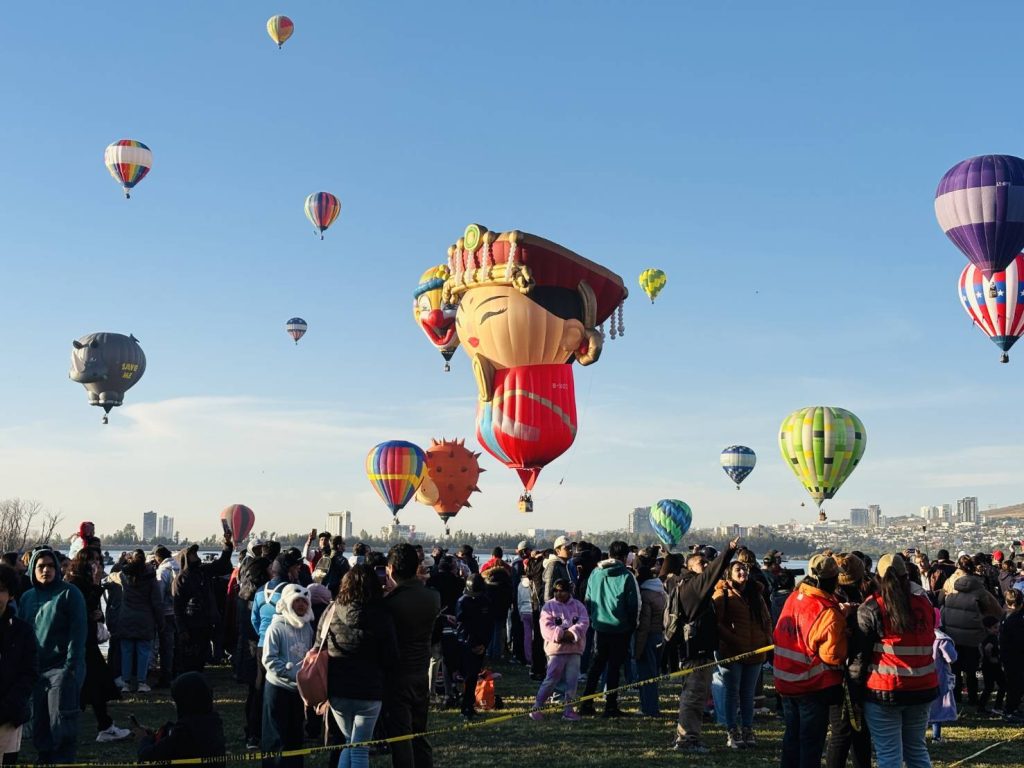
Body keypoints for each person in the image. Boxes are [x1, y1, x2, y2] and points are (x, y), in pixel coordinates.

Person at [853, 553, 938, 768]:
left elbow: (860, 657)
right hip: (922, 686)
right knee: (917, 750)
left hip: (884, 689)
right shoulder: (924, 604)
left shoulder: (872, 607)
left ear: (877, 578)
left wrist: (854, 691)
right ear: (906, 576)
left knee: (889, 754)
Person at [773, 553, 847, 768]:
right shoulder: (827, 611)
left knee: (792, 737)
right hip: (811, 685)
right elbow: (832, 655)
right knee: (810, 743)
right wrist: (844, 632)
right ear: (832, 579)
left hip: (785, 680)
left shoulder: (794, 598)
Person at [321, 564, 398, 768]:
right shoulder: (382, 615)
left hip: (338, 688)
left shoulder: (331, 611)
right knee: (360, 749)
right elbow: (390, 656)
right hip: (369, 690)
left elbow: (319, 644)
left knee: (349, 743)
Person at [666, 537, 738, 753]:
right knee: (694, 695)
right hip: (696, 650)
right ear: (690, 567)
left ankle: (685, 736)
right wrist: (728, 550)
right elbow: (714, 572)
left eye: (707, 562)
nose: (706, 565)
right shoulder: (694, 586)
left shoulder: (682, 583)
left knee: (692, 693)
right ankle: (687, 740)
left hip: (692, 647)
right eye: (701, 563)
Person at [18, 548, 87, 763]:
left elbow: (78, 633)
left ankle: (62, 761)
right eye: (41, 566)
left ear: (57, 568)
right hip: (36, 671)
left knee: (61, 724)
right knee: (40, 724)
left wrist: (70, 668)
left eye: (50, 565)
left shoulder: (70, 593)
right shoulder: (27, 597)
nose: (45, 570)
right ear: (33, 569)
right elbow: (22, 634)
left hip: (62, 669)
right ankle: (44, 759)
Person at [383, 543, 440, 768]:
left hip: (398, 675)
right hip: (420, 671)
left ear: (391, 569)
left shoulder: (391, 603)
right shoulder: (432, 597)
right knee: (419, 733)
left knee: (401, 737)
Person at [66, 548, 129, 743]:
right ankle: (102, 726)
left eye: (98, 560)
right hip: (81, 642)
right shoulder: (76, 583)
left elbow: (93, 609)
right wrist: (95, 586)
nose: (97, 564)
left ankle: (104, 725)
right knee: (90, 685)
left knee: (92, 686)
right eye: (92, 560)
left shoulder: (86, 582)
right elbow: (78, 610)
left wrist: (97, 614)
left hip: (88, 641)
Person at [713, 559, 771, 749]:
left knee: (748, 693)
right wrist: (733, 639)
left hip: (756, 651)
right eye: (738, 569)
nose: (742, 573)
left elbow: (766, 619)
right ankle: (732, 730)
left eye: (744, 569)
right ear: (729, 573)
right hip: (732, 651)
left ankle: (747, 728)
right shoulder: (723, 593)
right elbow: (717, 623)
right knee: (732, 691)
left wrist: (767, 639)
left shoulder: (756, 593)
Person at [578, 540, 639, 718]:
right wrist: (632, 624)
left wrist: (594, 617)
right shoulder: (627, 576)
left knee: (596, 666)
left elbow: (588, 599)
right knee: (614, 668)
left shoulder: (595, 573)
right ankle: (610, 705)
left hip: (600, 626)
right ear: (625, 557)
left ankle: (586, 703)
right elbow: (633, 604)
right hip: (621, 628)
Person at [262, 584, 314, 768]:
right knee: (276, 737)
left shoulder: (307, 628)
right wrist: (293, 674)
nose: (301, 605)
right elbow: (269, 659)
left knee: (295, 736)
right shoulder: (276, 628)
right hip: (278, 688)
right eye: (297, 601)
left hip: (298, 690)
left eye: (304, 602)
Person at [940, 557, 1001, 708]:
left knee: (955, 667)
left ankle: (956, 696)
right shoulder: (979, 588)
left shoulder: (949, 583)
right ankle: (973, 698)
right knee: (971, 669)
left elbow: (940, 600)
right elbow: (990, 607)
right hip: (973, 634)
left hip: (953, 633)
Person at [136, 671, 226, 767]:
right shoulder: (213, 722)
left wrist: (144, 739)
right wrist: (157, 734)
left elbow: (147, 757)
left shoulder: (185, 731)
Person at [530, 578, 589, 721]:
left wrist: (573, 633)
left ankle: (568, 709)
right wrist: (561, 634)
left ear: (569, 591)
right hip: (556, 651)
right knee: (551, 680)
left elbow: (584, 622)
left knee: (572, 681)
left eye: (562, 591)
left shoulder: (578, 606)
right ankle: (537, 707)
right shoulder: (548, 607)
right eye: (556, 591)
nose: (558, 594)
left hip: (574, 651)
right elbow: (546, 627)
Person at [173, 533, 234, 673]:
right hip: (190, 624)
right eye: (192, 554)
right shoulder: (181, 579)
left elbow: (222, 563)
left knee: (201, 655)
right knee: (189, 657)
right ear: (185, 558)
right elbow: (177, 606)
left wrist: (227, 544)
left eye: (196, 553)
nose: (196, 556)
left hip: (206, 622)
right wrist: (181, 629)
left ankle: (198, 676)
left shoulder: (203, 571)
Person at [0, 563, 38, 765]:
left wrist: (8, 707)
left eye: (1, 590)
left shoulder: (23, 632)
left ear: (11, 595)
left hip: (9, 718)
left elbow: (29, 673)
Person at [118, 549, 164, 693]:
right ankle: (141, 682)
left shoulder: (124, 576)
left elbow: (117, 572)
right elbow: (156, 602)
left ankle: (126, 683)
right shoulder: (150, 578)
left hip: (126, 617)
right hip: (145, 618)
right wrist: (161, 621)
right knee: (143, 651)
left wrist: (122, 561)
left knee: (126, 651)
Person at [455, 574, 492, 720]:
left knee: (474, 676)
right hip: (467, 644)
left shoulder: (485, 601)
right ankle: (464, 705)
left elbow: (489, 625)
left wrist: (484, 644)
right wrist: (472, 644)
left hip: (480, 643)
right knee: (467, 676)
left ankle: (469, 704)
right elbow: (461, 626)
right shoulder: (463, 602)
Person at [634, 552, 666, 717]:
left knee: (646, 675)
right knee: (654, 673)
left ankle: (649, 708)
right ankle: (652, 706)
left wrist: (638, 649)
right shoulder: (661, 591)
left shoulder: (645, 595)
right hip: (660, 635)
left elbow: (644, 625)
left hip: (648, 637)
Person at [152, 546, 178, 688]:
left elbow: (159, 595)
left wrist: (157, 614)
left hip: (166, 613)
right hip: (178, 612)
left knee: (165, 647)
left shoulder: (162, 570)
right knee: (176, 645)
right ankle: (176, 673)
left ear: (158, 557)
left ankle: (166, 677)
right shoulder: (178, 567)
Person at [929, 613, 958, 742]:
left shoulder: (921, 636)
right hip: (939, 676)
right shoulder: (942, 640)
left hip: (923, 675)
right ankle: (936, 736)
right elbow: (951, 657)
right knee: (939, 706)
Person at [1000, 588, 1024, 721]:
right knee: (1015, 685)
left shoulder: (1005, 616)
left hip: (1008, 655)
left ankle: (1013, 707)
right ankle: (1010, 710)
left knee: (1014, 684)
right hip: (1015, 656)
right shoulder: (1016, 620)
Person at [979, 615, 1005, 714]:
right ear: (988, 628)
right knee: (1002, 685)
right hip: (992, 666)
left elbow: (981, 647)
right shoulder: (992, 638)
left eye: (998, 627)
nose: (997, 629)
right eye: (995, 627)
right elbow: (987, 648)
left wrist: (983, 657)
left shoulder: (986, 637)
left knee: (989, 687)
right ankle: (997, 706)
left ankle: (981, 707)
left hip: (987, 665)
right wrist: (990, 657)